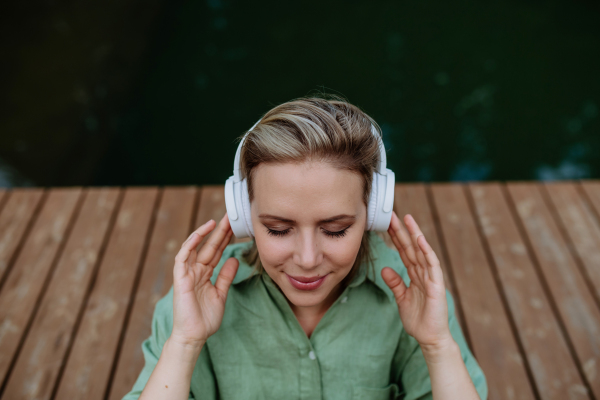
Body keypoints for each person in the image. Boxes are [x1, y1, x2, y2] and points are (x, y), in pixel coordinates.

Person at [122, 96, 488, 400]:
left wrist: (438, 346)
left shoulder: (417, 298)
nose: (308, 259)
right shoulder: (193, 301)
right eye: (279, 230)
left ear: (372, 214)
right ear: (244, 217)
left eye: (336, 229)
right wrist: (184, 343)